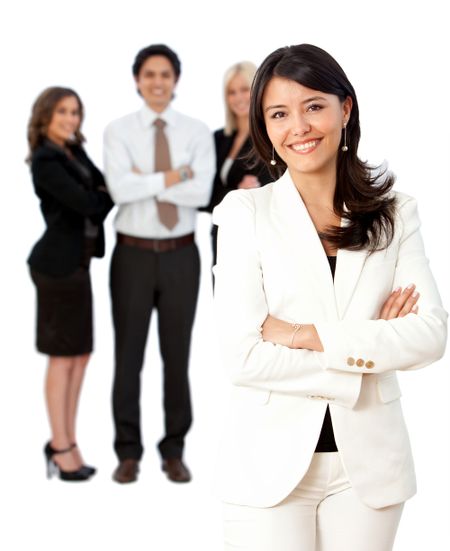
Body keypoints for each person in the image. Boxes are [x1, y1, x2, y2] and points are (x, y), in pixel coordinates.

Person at [212, 44, 447, 550]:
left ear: (346, 108)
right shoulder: (244, 214)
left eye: (314, 105)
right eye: (279, 113)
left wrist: (302, 335)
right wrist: (372, 349)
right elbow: (242, 355)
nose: (299, 126)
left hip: (369, 471)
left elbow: (429, 336)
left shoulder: (396, 213)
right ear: (265, 127)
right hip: (266, 468)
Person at [104, 44, 215, 484]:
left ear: (175, 80)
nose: (157, 82)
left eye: (165, 74)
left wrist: (145, 181)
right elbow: (118, 189)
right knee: (127, 357)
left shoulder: (196, 131)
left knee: (177, 356)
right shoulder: (118, 131)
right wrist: (175, 175)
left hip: (180, 257)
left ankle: (174, 450)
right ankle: (127, 452)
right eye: (149, 74)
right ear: (136, 80)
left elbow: (200, 191)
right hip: (131, 255)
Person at [27, 87, 114, 482]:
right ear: (45, 115)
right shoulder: (45, 160)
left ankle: (69, 440)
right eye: (62, 111)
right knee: (62, 357)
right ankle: (60, 445)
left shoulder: (72, 152)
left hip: (77, 266)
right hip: (56, 269)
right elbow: (92, 202)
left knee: (80, 355)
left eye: (75, 112)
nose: (70, 119)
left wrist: (98, 192)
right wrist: (98, 194)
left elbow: (98, 186)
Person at [203, 61, 272, 265]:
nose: (238, 97)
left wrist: (233, 193)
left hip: (258, 236)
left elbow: (273, 187)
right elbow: (203, 195)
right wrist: (236, 192)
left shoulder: (270, 135)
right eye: (231, 92)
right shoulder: (218, 139)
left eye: (244, 89)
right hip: (223, 234)